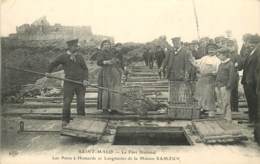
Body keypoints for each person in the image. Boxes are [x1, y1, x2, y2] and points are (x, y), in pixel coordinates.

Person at [46, 39, 89, 127]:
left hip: (80, 83)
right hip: (69, 83)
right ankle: (65, 120)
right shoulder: (63, 56)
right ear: (69, 47)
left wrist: (85, 79)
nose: (76, 47)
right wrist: (48, 72)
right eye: (74, 46)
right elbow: (53, 63)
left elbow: (85, 69)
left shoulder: (80, 57)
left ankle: (81, 119)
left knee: (81, 101)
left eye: (77, 46)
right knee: (67, 102)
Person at [161, 37, 194, 105]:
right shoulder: (170, 51)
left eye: (177, 42)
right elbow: (165, 60)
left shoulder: (186, 51)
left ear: (180, 42)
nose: (175, 44)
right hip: (171, 74)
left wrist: (186, 73)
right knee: (172, 89)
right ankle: (172, 103)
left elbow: (188, 64)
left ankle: (180, 104)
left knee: (181, 89)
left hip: (181, 75)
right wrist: (162, 67)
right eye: (174, 43)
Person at [193, 43, 221, 117]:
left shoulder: (217, 60)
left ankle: (212, 110)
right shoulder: (204, 58)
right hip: (202, 78)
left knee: (210, 95)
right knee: (200, 94)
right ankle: (202, 108)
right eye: (209, 50)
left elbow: (218, 71)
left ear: (216, 51)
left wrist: (212, 73)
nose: (210, 51)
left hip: (211, 79)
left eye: (212, 50)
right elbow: (196, 63)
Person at [97, 40, 123, 113]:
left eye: (108, 44)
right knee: (106, 89)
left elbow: (118, 61)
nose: (107, 45)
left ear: (110, 45)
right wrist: (107, 62)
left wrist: (117, 61)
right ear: (102, 46)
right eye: (105, 44)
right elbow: (99, 62)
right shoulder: (100, 53)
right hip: (106, 72)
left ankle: (113, 108)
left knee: (114, 89)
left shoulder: (112, 52)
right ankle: (104, 108)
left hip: (114, 72)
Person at [215, 48, 237, 121]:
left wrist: (229, 85)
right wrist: (216, 84)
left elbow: (232, 76)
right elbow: (218, 74)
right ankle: (223, 116)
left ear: (224, 55)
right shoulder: (221, 64)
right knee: (220, 101)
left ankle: (228, 118)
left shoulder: (230, 64)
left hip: (225, 86)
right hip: (219, 86)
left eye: (220, 55)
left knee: (226, 102)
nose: (218, 56)